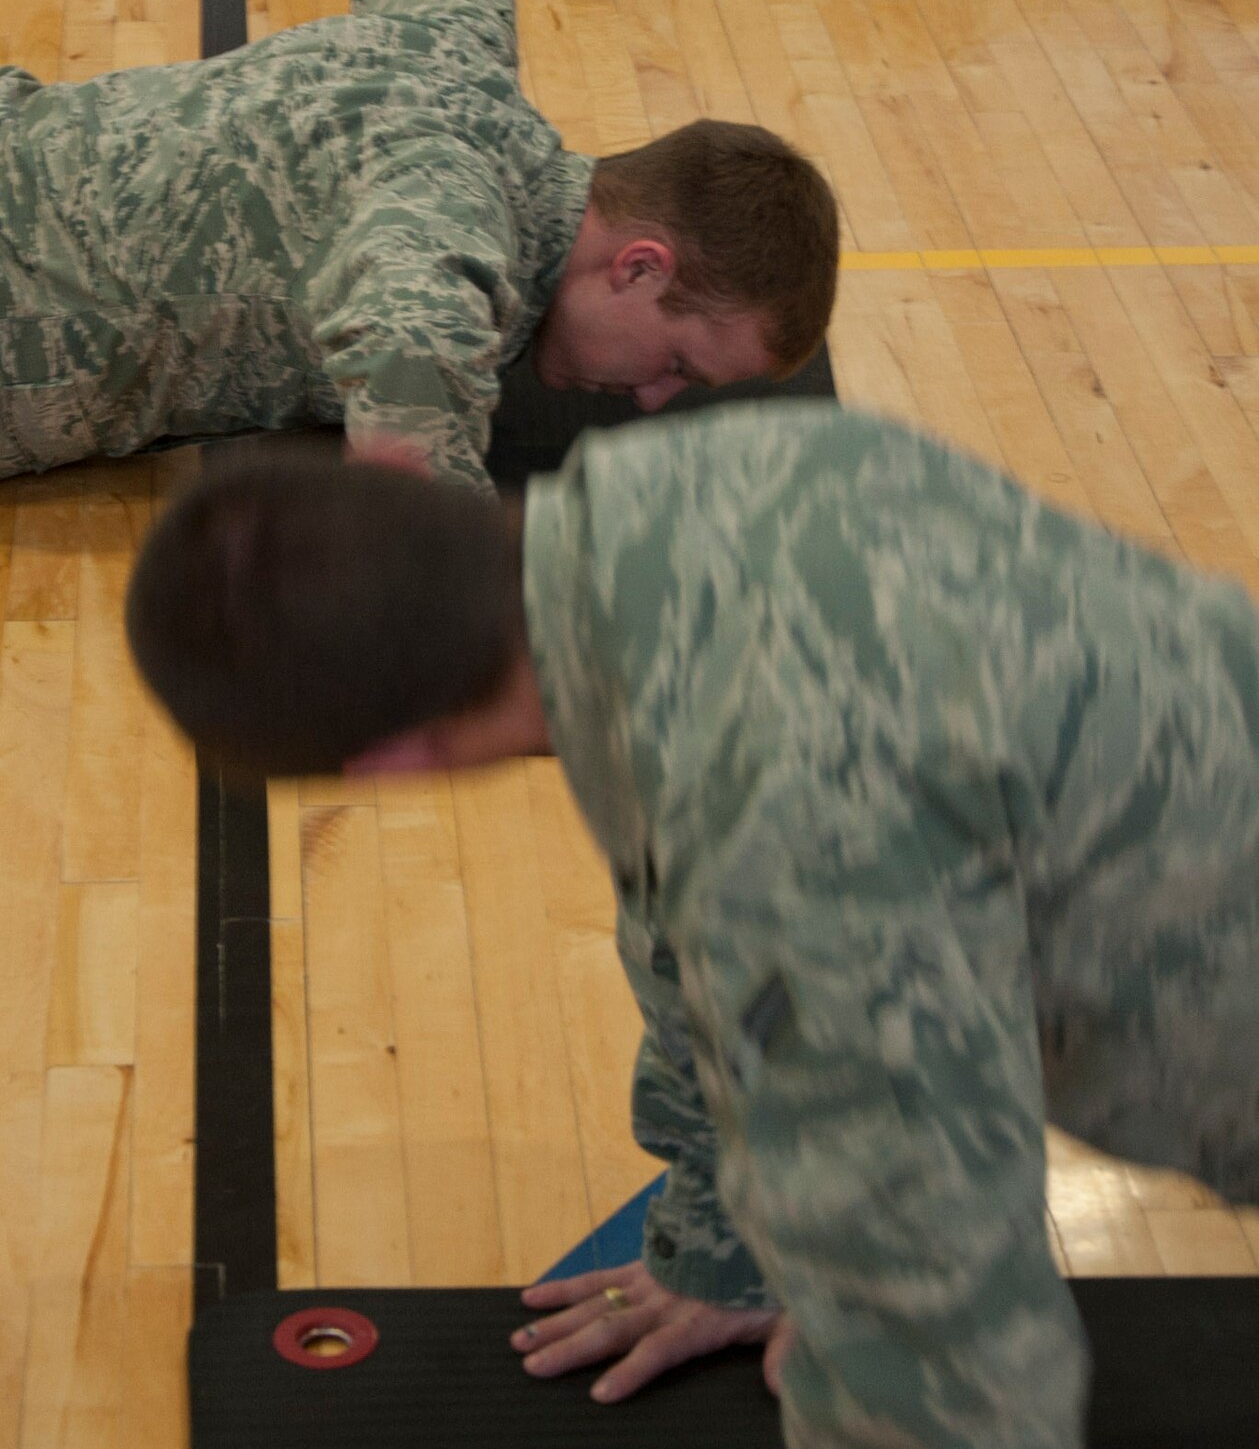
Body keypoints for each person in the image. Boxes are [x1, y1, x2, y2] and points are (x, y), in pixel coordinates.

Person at [125, 400, 1259, 1449]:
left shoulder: (790, 837)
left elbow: (943, 1341)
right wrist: (725, 1251)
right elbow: (682, 925)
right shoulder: (691, 497)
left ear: (393, 764)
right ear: (403, 473)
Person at [0, 0, 836, 486]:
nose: (654, 397)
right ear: (640, 266)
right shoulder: (454, 220)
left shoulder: (462, 55)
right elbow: (412, 344)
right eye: (677, 365)